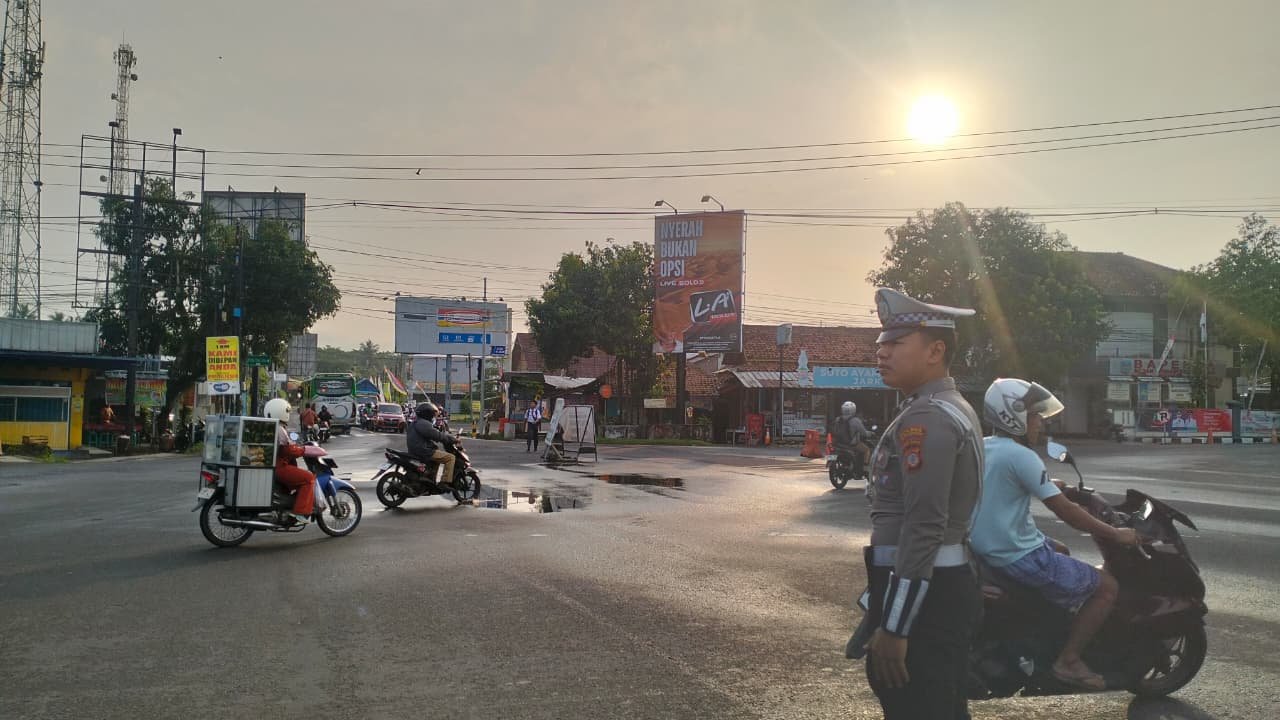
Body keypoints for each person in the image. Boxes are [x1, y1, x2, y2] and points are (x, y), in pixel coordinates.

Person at [859, 288, 985, 719]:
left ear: (935, 351)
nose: (882, 353)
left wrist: (896, 625)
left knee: (919, 705)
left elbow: (924, 525)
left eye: (896, 343)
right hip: (935, 585)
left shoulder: (927, 416)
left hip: (928, 593)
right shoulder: (938, 406)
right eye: (881, 344)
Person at [970, 378, 1143, 691]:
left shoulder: (984, 446)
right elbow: (1066, 512)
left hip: (988, 547)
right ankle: (1069, 661)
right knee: (1107, 588)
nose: (1040, 422)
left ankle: (1044, 626)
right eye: (1034, 415)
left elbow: (1012, 481)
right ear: (1014, 415)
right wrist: (1115, 534)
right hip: (1017, 555)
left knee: (1061, 550)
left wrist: (1052, 485)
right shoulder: (1021, 456)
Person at [264, 398, 315, 525]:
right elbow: (289, 450)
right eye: (287, 411)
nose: (288, 414)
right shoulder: (279, 429)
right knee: (309, 478)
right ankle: (300, 513)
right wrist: (303, 450)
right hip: (280, 467)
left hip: (274, 466)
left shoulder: (271, 426)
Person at [407, 402, 457, 487]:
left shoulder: (415, 422)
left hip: (415, 450)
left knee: (436, 458)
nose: (433, 416)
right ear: (427, 414)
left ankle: (430, 480)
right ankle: (445, 482)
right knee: (450, 457)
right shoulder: (423, 423)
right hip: (423, 451)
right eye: (432, 414)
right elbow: (437, 435)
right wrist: (452, 439)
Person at [833, 401, 872, 469]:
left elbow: (835, 430)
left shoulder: (838, 419)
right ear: (853, 410)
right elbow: (863, 433)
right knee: (867, 450)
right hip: (851, 444)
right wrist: (870, 434)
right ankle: (865, 468)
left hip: (838, 444)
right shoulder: (855, 420)